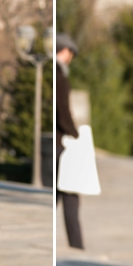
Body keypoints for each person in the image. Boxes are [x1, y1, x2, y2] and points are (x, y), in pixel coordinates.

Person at [56, 33, 84, 249]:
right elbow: (62, 111)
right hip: (61, 144)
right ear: (64, 51)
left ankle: (75, 245)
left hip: (58, 142)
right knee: (71, 195)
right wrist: (75, 133)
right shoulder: (59, 74)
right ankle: (77, 247)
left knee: (58, 195)